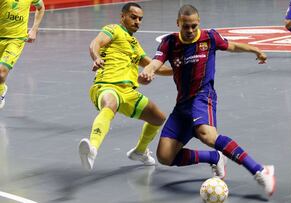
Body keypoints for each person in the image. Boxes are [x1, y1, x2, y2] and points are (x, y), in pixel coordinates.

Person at [139, 4, 276, 197]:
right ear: (178, 23)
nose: (190, 30)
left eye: (194, 26)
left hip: (203, 97)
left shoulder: (209, 37)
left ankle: (260, 170)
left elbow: (233, 46)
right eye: (185, 26)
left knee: (208, 135)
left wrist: (255, 50)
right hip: (182, 105)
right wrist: (147, 72)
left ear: (198, 23)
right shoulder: (169, 43)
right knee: (165, 156)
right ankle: (213, 157)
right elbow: (155, 62)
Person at [78, 2, 172, 171]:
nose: (137, 21)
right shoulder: (113, 29)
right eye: (133, 17)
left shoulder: (134, 44)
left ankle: (140, 151)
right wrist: (96, 57)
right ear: (123, 16)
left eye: (140, 19)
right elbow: (95, 43)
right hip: (106, 85)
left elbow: (153, 66)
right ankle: (92, 149)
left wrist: (177, 71)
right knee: (110, 104)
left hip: (128, 92)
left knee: (158, 118)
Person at [0, 0, 45, 109]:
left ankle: (1, 91)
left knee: (1, 72)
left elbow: (41, 7)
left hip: (16, 40)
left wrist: (34, 30)